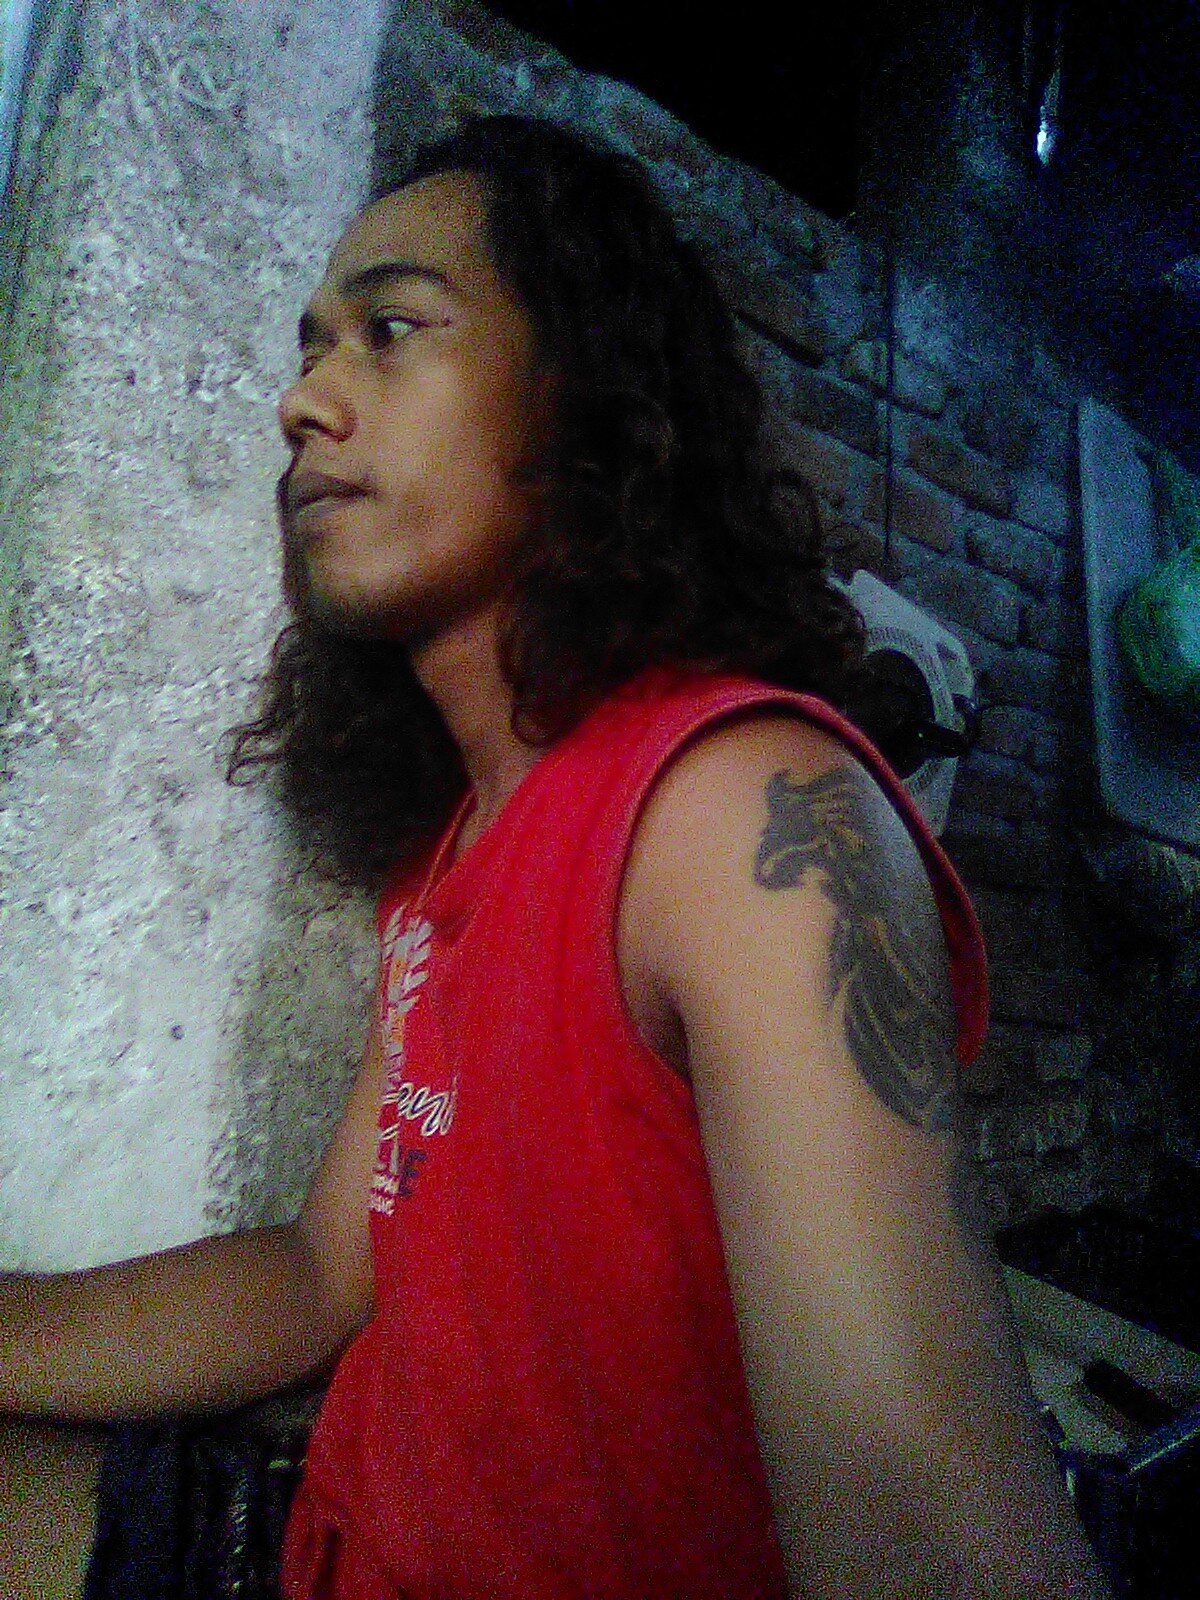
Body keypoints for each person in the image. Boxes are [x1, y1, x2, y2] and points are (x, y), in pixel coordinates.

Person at [0, 115, 1111, 1599]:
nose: (302, 401)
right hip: (308, 1538)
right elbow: (321, 1277)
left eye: (392, 329)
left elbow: (918, 1515)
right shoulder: (452, 845)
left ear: (587, 393)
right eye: (311, 347)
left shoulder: (744, 812)